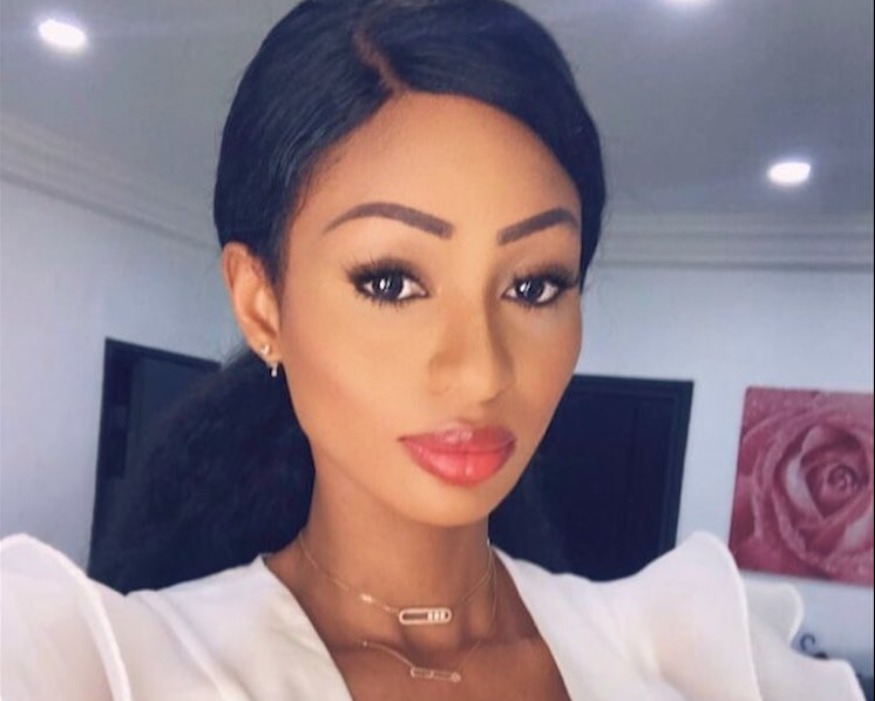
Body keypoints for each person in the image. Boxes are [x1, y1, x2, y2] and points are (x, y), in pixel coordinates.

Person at [0, 0, 865, 699]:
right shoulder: (118, 673)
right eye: (390, 281)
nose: (481, 371)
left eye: (534, 285)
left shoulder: (694, 661)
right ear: (261, 304)